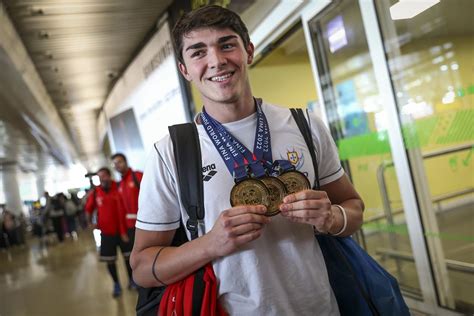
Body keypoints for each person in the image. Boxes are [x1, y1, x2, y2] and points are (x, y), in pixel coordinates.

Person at [131, 5, 364, 315]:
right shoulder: (171, 153)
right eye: (198, 52)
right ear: (185, 70)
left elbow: (354, 208)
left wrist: (331, 218)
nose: (216, 61)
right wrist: (210, 244)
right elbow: (142, 266)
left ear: (249, 51)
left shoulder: (304, 124)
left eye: (226, 44)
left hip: (322, 307)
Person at [84, 167, 134, 297]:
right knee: (110, 260)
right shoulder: (96, 192)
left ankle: (132, 280)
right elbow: (88, 209)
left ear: (109, 176)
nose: (102, 179)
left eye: (104, 176)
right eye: (100, 177)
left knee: (129, 258)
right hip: (107, 233)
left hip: (123, 230)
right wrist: (90, 223)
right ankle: (116, 284)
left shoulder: (119, 187)